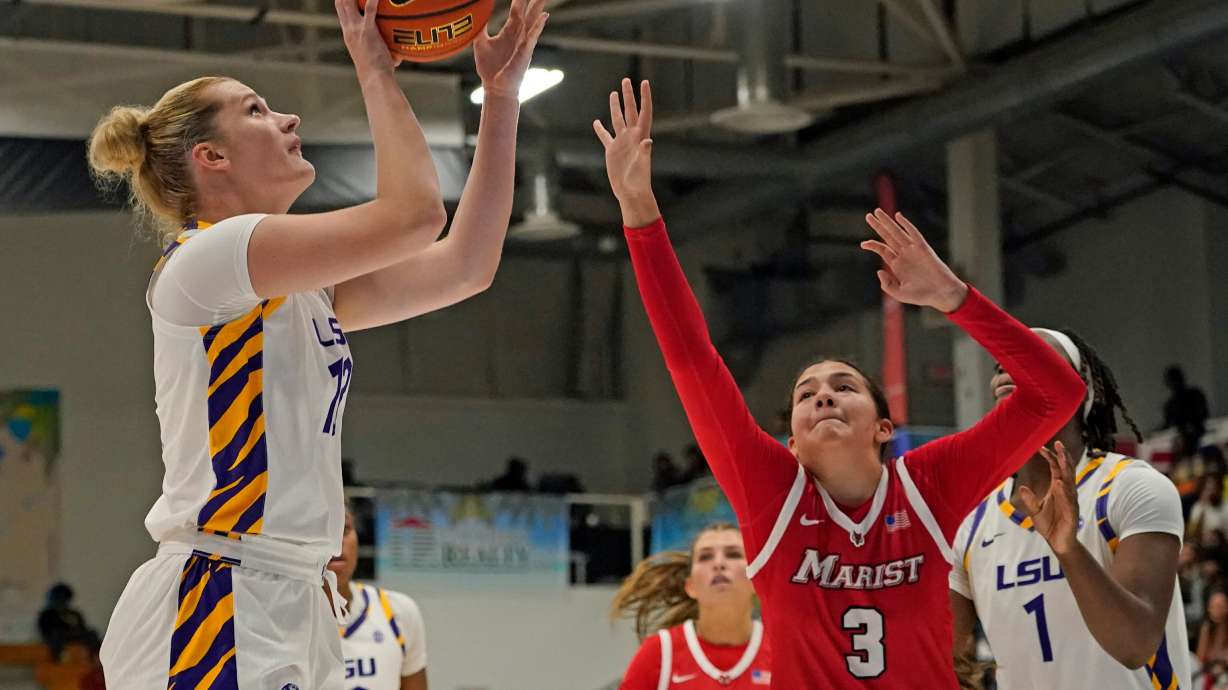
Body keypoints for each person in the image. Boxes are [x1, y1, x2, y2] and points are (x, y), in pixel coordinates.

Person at [88, 0, 548, 686]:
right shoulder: (209, 259)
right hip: (221, 592)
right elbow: (416, 215)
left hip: (297, 592)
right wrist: (372, 64)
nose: (287, 119)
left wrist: (503, 97)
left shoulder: (301, 287)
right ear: (209, 157)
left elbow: (466, 265)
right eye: (256, 111)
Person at [594, 78, 1084, 689]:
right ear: (791, 441)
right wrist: (639, 210)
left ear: (884, 427)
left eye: (844, 385)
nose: (822, 394)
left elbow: (1058, 393)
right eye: (805, 394)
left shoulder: (929, 485)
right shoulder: (770, 491)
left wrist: (953, 298)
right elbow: (691, 358)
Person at [949, 328, 1189, 690]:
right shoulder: (972, 521)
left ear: (1082, 387)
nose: (1009, 368)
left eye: (1031, 355)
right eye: (1001, 365)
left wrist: (1069, 550)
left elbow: (1135, 645)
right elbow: (937, 653)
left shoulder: (1130, 486)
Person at [612, 523, 772, 689]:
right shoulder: (660, 651)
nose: (718, 564)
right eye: (705, 557)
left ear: (756, 580)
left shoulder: (780, 653)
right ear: (690, 586)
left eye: (733, 554)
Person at [332, 508, 427, 690]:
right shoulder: (282, 622)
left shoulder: (398, 611)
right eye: (325, 532)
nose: (336, 542)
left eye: (344, 529)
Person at [37, 583, 101, 662]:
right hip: (59, 639)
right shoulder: (46, 615)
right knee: (57, 636)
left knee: (92, 634)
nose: (61, 602)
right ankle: (59, 659)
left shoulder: (74, 614)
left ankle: (96, 659)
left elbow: (83, 628)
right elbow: (46, 633)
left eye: (64, 599)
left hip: (75, 637)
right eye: (58, 598)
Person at [1164, 365, 1210, 455]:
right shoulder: (1171, 404)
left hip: (1198, 436)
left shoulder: (1173, 404)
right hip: (1189, 439)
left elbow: (1204, 413)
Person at [1200, 591, 1228, 689]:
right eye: (1214, 606)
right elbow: (1201, 657)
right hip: (1209, 673)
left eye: (1220, 606)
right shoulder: (1206, 628)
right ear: (1208, 609)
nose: (1217, 610)